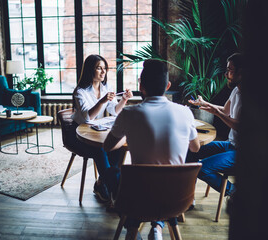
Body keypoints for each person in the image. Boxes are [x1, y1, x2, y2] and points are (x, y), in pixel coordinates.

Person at [103, 59, 200, 240]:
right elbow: (195, 148)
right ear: (168, 85)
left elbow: (107, 146)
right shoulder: (185, 112)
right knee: (161, 184)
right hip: (176, 199)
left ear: (141, 86)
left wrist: (128, 132)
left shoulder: (129, 114)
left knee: (111, 172)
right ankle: (157, 226)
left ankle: (132, 227)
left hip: (138, 197)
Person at [71, 54, 133, 202]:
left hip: (97, 130)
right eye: (99, 68)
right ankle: (115, 189)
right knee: (100, 149)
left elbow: (114, 110)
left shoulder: (106, 87)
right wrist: (102, 100)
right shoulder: (80, 91)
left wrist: (124, 99)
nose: (103, 72)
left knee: (116, 145)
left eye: (104, 68)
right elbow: (87, 117)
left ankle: (103, 183)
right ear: (89, 70)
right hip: (80, 134)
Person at [186, 53, 243, 202]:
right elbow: (225, 111)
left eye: (230, 70)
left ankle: (234, 192)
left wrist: (217, 113)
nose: (226, 74)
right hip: (230, 145)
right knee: (192, 149)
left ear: (242, 72)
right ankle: (186, 197)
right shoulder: (236, 90)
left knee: (201, 168)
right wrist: (205, 104)